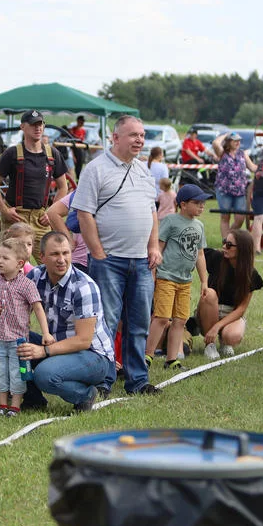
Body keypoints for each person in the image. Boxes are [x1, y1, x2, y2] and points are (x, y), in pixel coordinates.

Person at [75, 115, 162, 397]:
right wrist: (98, 252)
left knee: (138, 324)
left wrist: (153, 247)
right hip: (109, 260)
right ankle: (104, 380)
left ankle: (137, 380)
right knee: (107, 323)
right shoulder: (95, 169)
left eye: (142, 135)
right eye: (133, 134)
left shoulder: (144, 171)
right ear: (115, 138)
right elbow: (84, 212)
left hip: (141, 260)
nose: (139, 140)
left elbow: (151, 212)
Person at [0, 231, 112, 411]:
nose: (61, 259)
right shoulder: (35, 277)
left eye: (65, 253)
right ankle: (33, 400)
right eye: (55, 254)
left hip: (92, 355)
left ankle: (86, 395)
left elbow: (84, 340)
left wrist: (43, 351)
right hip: (56, 342)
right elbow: (11, 302)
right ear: (41, 257)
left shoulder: (83, 286)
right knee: (14, 342)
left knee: (45, 375)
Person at [0, 238, 53, 417]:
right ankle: (2, 405)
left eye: (5, 258)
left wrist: (45, 332)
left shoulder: (27, 285)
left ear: (20, 264)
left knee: (18, 373)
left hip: (19, 341)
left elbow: (38, 307)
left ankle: (15, 406)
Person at [145, 184, 209, 369]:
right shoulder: (171, 221)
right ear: (183, 204)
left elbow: (200, 254)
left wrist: (204, 281)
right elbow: (158, 247)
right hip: (167, 277)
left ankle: (172, 359)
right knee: (162, 318)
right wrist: (153, 273)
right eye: (196, 203)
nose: (201, 207)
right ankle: (147, 355)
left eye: (202, 203)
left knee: (180, 320)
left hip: (185, 281)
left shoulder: (199, 226)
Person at [0, 110, 69, 262]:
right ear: (22, 127)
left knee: (50, 262)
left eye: (40, 124)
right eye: (33, 124)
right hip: (16, 216)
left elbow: (63, 187)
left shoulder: (52, 154)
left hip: (40, 218)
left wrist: (50, 212)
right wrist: (4, 210)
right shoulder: (12, 153)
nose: (38, 128)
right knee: (12, 264)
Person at [196, 229, 263, 361]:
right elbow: (198, 254)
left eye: (229, 245)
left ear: (241, 249)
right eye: (224, 242)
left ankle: (224, 342)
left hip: (231, 314)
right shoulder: (216, 258)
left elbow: (241, 309)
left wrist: (217, 327)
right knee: (210, 293)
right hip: (209, 309)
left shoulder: (251, 274)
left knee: (232, 336)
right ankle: (209, 345)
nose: (223, 247)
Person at [212, 132, 257, 243]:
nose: (238, 142)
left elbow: (252, 167)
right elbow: (215, 143)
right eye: (234, 140)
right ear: (228, 142)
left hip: (240, 191)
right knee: (225, 217)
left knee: (240, 218)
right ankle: (226, 241)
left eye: (239, 140)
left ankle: (228, 238)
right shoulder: (222, 153)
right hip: (224, 190)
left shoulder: (243, 154)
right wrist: (225, 134)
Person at [44, 191, 89, 270]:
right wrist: (68, 240)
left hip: (84, 259)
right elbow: (52, 212)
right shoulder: (82, 191)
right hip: (81, 259)